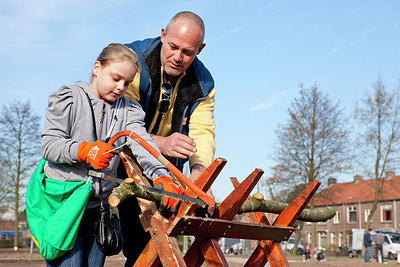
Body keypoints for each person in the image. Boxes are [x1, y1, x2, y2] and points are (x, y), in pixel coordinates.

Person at [36, 43, 181, 267]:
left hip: (99, 209)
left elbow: (142, 144)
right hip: (64, 206)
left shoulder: (128, 111)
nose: (121, 87)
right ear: (97, 68)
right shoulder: (69, 97)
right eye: (116, 78)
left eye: (127, 83)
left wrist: (161, 176)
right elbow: (50, 145)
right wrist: (85, 150)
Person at [120, 11, 216, 266]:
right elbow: (118, 122)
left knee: (152, 249)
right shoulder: (131, 61)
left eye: (188, 52)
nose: (177, 57)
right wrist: (161, 143)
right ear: (163, 35)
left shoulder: (204, 83)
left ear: (200, 49)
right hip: (121, 159)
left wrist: (199, 171)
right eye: (173, 46)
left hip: (165, 171)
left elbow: (202, 132)